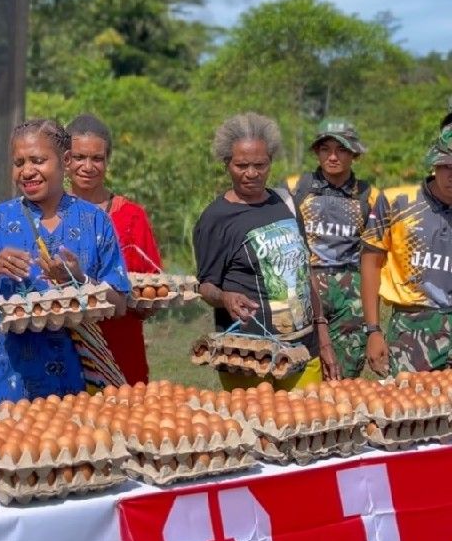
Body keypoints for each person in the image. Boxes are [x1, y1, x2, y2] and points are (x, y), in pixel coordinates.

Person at [0, 119, 130, 414]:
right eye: (19, 162)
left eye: (38, 160)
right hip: (6, 379)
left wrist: (80, 279)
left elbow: (120, 304)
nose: (27, 171)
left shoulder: (94, 221)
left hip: (75, 381)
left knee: (73, 454)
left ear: (64, 161)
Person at [193, 112, 336, 391]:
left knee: (307, 426)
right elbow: (205, 285)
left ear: (270, 162)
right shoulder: (216, 219)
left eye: (260, 164)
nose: (251, 173)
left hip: (303, 348)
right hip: (249, 355)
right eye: (241, 165)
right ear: (227, 164)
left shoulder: (285, 203)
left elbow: (304, 272)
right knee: (257, 428)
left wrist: (323, 337)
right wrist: (225, 297)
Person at [66, 114, 162, 384]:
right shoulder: (48, 215)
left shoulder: (131, 217)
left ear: (108, 161)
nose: (88, 166)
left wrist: (143, 302)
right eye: (79, 157)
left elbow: (153, 287)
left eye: (97, 158)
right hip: (63, 352)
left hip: (120, 348)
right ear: (65, 160)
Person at [291, 118, 379, 378]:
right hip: (306, 282)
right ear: (316, 152)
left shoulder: (368, 195)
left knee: (345, 371)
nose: (332, 157)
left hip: (350, 288)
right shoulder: (296, 188)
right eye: (325, 149)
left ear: (354, 154)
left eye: (341, 150)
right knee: (301, 367)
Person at [361, 128, 452, 375]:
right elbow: (371, 262)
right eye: (447, 166)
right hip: (412, 327)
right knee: (411, 407)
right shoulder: (397, 202)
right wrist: (373, 330)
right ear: (435, 164)